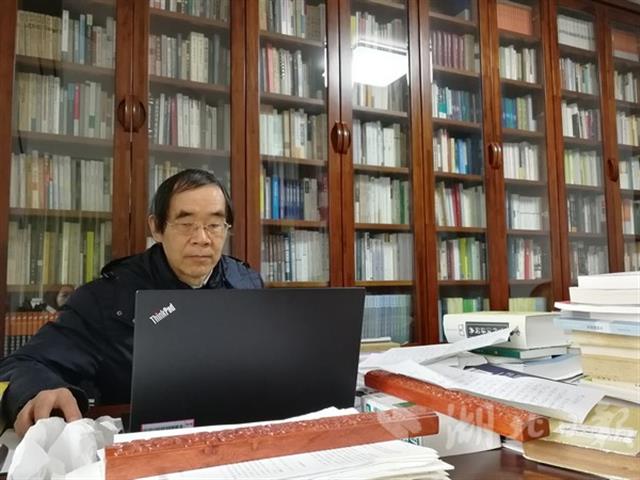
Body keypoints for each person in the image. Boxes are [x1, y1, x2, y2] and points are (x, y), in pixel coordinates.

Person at [0, 169, 263, 436]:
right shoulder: (107, 298)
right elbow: (23, 364)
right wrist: (37, 390)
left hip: (240, 433)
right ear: (156, 228)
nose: (202, 239)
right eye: (186, 224)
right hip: (145, 441)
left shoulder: (247, 283)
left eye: (214, 225)